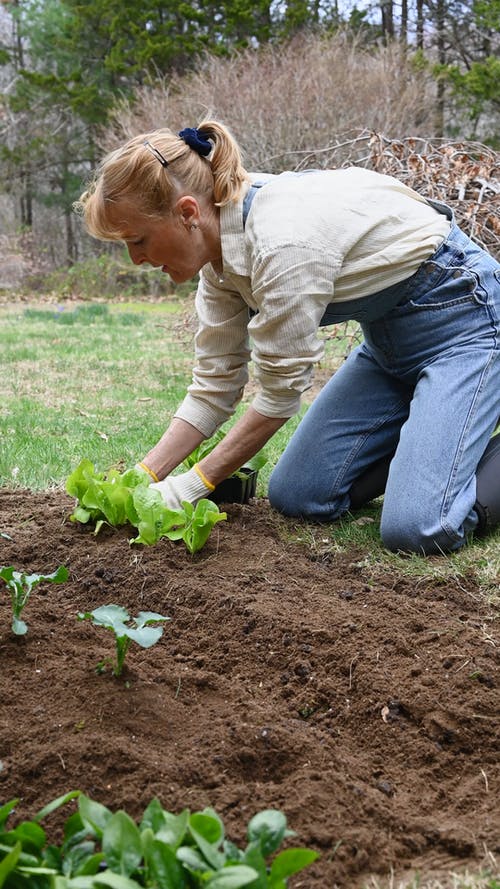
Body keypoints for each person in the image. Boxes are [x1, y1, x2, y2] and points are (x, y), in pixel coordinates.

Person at [75, 121, 500, 555]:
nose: (136, 258)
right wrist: (144, 476)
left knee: (418, 529)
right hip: (389, 344)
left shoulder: (283, 244)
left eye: (137, 239)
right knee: (300, 496)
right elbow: (214, 388)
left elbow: (279, 396)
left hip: (467, 322)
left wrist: (191, 484)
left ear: (187, 213)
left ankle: (448, 446)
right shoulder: (220, 256)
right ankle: (436, 440)